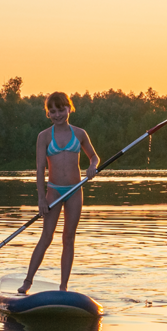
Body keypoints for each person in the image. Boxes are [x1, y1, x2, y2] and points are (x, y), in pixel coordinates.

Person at [20, 92, 102, 294]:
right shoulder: (44, 136)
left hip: (74, 191)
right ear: (48, 113)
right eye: (52, 111)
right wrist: (40, 198)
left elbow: (94, 157)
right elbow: (40, 169)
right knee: (46, 236)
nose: (57, 115)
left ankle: (63, 287)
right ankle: (28, 281)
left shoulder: (80, 134)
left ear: (69, 108)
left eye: (61, 110)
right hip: (54, 192)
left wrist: (92, 167)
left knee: (69, 238)